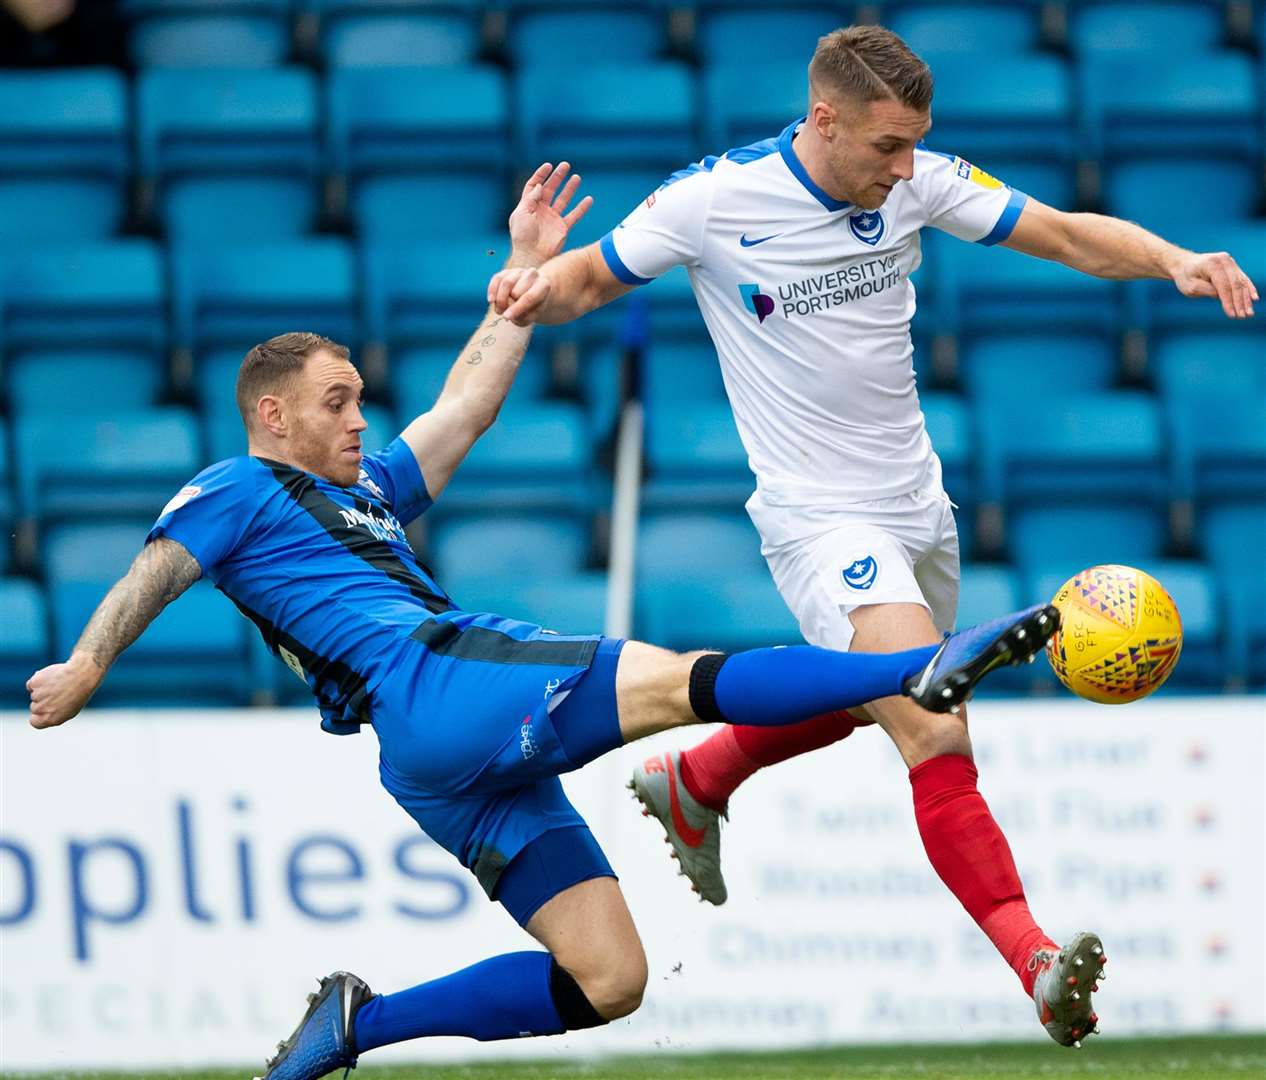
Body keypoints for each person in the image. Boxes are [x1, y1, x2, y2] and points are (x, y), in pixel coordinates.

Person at [26, 164, 1057, 1079]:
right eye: (336, 403)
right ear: (272, 417)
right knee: (677, 679)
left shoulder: (366, 496)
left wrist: (523, 276)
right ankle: (926, 666)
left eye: (357, 402)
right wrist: (83, 665)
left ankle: (358, 1025)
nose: (358, 418)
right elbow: (156, 571)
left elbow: (461, 409)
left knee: (608, 978)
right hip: (434, 680)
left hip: (426, 758)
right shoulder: (240, 486)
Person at [486, 25, 1257, 1049]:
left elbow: (1066, 234)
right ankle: (1034, 961)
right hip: (818, 517)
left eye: (913, 147)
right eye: (886, 147)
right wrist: (527, 277)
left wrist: (1175, 260)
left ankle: (699, 776)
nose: (904, 169)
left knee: (866, 700)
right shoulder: (714, 202)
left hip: (916, 509)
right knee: (930, 718)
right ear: (825, 119)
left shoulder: (918, 181)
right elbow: (585, 282)